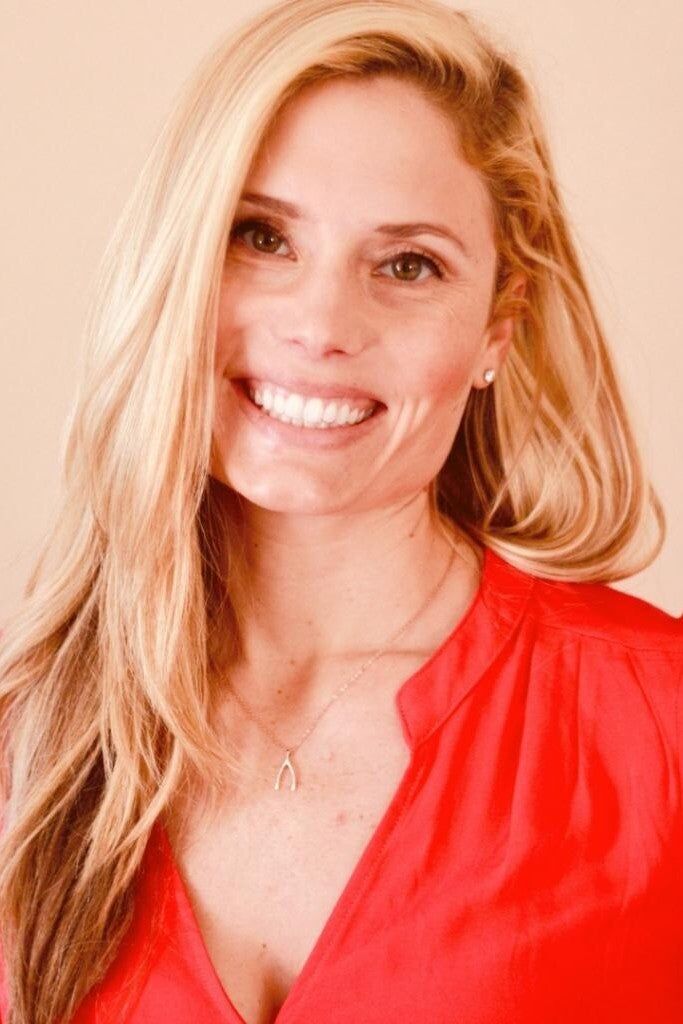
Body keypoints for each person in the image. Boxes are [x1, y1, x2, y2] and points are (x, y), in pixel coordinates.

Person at [0, 0, 681, 1021]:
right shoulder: (30, 748)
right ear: (176, 265)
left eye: (407, 264)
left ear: (498, 326)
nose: (320, 325)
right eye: (260, 236)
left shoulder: (656, 726)